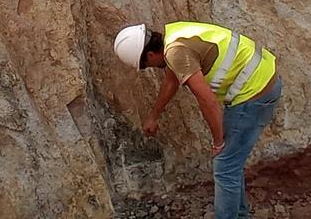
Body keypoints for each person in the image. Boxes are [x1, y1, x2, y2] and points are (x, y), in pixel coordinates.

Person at [113, 22, 282, 219]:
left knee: (225, 166)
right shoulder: (174, 35)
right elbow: (171, 81)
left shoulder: (176, 53)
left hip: (255, 91)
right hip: (260, 78)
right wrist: (154, 115)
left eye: (145, 65)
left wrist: (218, 141)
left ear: (150, 55)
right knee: (230, 163)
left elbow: (207, 100)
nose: (149, 68)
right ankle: (241, 215)